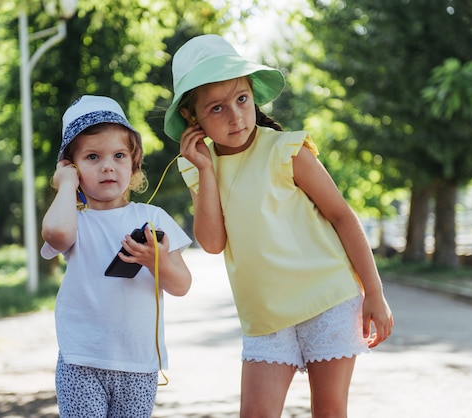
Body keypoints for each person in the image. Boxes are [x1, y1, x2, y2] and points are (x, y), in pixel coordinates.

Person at [164, 34, 394, 418]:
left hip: (328, 301)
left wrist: (374, 292)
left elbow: (343, 217)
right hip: (265, 318)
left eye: (241, 99)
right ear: (193, 118)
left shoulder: (287, 150)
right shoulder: (196, 167)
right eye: (217, 109)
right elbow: (213, 243)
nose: (236, 116)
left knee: (330, 411)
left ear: (254, 94)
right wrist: (205, 171)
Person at [41, 95, 192, 417]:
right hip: (81, 360)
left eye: (119, 155)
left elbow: (181, 286)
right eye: (92, 157)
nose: (108, 165)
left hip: (138, 364)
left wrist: (157, 261)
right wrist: (66, 185)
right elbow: (55, 235)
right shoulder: (74, 220)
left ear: (133, 164)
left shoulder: (153, 217)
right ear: (72, 166)